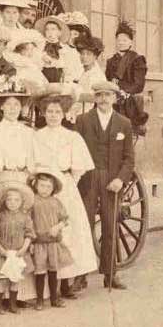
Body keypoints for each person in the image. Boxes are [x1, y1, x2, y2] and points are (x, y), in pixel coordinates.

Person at [32, 84, 98, 296]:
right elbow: (32, 164)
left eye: (57, 112)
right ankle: (45, 283)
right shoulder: (36, 136)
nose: (53, 116)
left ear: (64, 114)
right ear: (44, 113)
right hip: (42, 187)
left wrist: (68, 183)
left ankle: (66, 282)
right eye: (49, 112)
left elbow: (79, 167)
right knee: (44, 231)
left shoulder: (72, 137)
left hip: (65, 185)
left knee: (68, 232)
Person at [0, 83, 37, 305]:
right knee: (0, 232)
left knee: (20, 232)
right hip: (0, 181)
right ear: (2, 107)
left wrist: (28, 178)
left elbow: (32, 162)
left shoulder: (28, 133)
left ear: (21, 108)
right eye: (8, 104)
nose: (12, 108)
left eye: (16, 105)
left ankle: (21, 293)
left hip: (22, 183)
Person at [76, 81, 135, 289]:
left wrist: (120, 179)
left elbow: (129, 158)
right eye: (99, 95)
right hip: (88, 179)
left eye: (107, 95)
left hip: (112, 180)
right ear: (95, 98)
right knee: (84, 227)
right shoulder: (82, 121)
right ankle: (80, 276)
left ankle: (110, 274)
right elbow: (75, 151)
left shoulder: (124, 123)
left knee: (110, 226)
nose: (103, 99)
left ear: (114, 98)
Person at [28, 168, 74, 310]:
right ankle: (40, 300)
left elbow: (65, 219)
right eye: (42, 186)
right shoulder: (32, 201)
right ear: (36, 185)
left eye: (48, 187)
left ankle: (54, 298)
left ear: (53, 188)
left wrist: (57, 227)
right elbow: (28, 221)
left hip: (53, 243)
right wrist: (30, 241)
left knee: (53, 270)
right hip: (39, 243)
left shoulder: (56, 202)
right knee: (40, 271)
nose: (45, 189)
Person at [0, 176, 36, 315]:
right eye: (9, 199)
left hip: (19, 253)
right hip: (3, 253)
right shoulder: (0, 216)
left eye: (16, 200)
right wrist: (0, 249)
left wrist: (23, 249)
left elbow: (29, 234)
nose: (13, 203)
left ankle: (12, 304)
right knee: (2, 280)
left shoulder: (25, 217)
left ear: (22, 202)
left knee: (15, 279)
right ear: (4, 201)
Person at [105, 20, 149, 128]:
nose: (121, 42)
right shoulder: (111, 60)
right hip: (111, 94)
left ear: (131, 42)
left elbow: (139, 84)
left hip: (128, 96)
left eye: (124, 40)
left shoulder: (137, 59)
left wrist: (124, 91)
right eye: (119, 40)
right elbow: (107, 79)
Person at [36, 15, 82, 83]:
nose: (49, 32)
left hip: (60, 82)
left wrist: (52, 62)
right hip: (42, 80)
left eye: (53, 29)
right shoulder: (39, 47)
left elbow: (70, 70)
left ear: (59, 32)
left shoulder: (66, 49)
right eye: (47, 29)